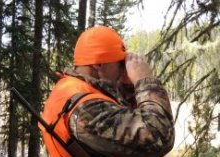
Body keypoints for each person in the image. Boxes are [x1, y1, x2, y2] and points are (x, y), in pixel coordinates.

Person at [39, 26, 175, 157]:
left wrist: (129, 88)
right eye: (121, 63)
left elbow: (121, 117)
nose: (124, 69)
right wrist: (145, 81)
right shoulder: (85, 109)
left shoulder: (73, 88)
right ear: (98, 65)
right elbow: (159, 138)